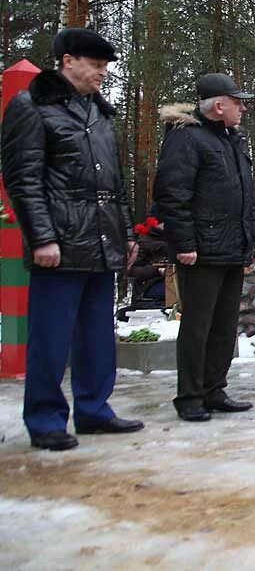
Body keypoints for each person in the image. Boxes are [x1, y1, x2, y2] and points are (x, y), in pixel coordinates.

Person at [0, 28, 144, 450]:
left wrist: (127, 232)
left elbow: (114, 182)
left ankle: (94, 409)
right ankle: (45, 418)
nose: (102, 74)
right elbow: (23, 180)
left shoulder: (99, 113)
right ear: (67, 61)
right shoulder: (31, 107)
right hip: (59, 244)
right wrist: (41, 237)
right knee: (51, 335)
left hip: (102, 241)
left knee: (97, 333)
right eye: (96, 66)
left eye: (105, 67)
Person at [155, 74, 255, 421]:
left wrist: (251, 240)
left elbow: (244, 195)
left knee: (224, 326)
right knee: (198, 327)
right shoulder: (186, 139)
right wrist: (183, 243)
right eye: (237, 101)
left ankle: (215, 389)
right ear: (219, 106)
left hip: (230, 248)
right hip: (200, 251)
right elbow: (173, 194)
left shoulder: (232, 140)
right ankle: (190, 397)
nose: (242, 107)